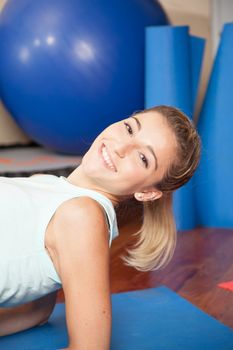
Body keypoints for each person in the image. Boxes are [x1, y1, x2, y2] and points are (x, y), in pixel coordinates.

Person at [0, 105, 201, 349]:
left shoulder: (82, 216)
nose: (120, 147)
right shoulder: (48, 185)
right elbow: (36, 311)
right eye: (129, 128)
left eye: (143, 158)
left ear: (147, 192)